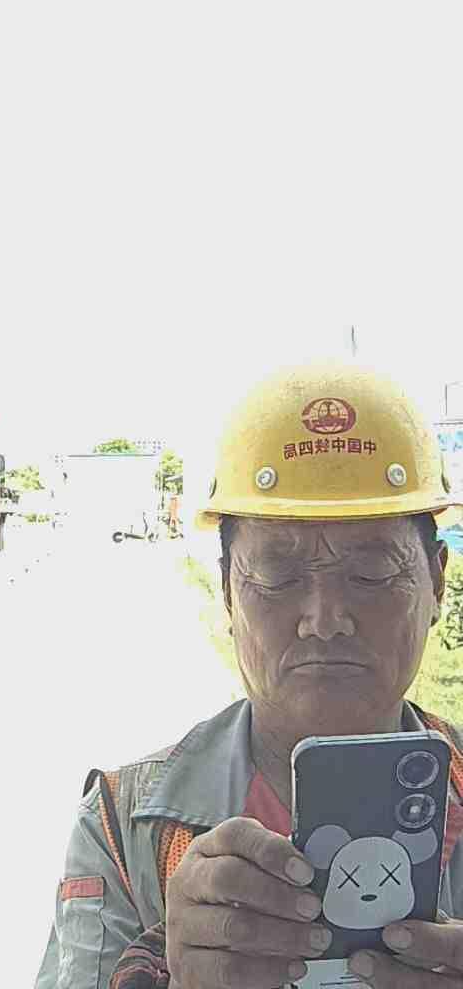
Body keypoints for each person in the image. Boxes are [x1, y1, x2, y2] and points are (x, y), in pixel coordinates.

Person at [35, 362, 463, 989]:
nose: (324, 620)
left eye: (371, 572)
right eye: (278, 576)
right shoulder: (125, 829)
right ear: (229, 594)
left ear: (437, 583)